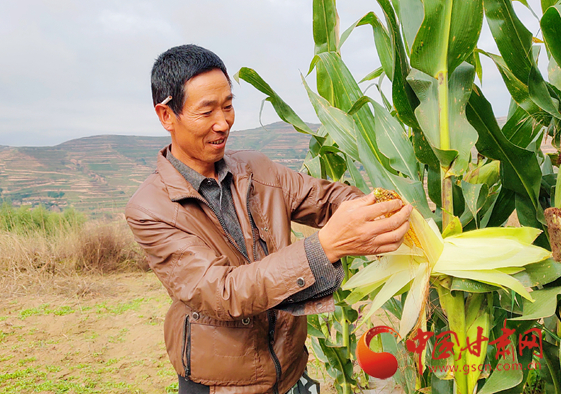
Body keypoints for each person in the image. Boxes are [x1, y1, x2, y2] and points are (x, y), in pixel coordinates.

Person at [125, 44, 412, 394]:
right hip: (222, 385)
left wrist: (376, 207)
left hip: (291, 369)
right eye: (207, 112)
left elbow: (324, 199)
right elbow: (222, 292)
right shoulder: (150, 209)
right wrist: (325, 247)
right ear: (167, 115)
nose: (223, 122)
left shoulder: (256, 169)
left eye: (228, 106)